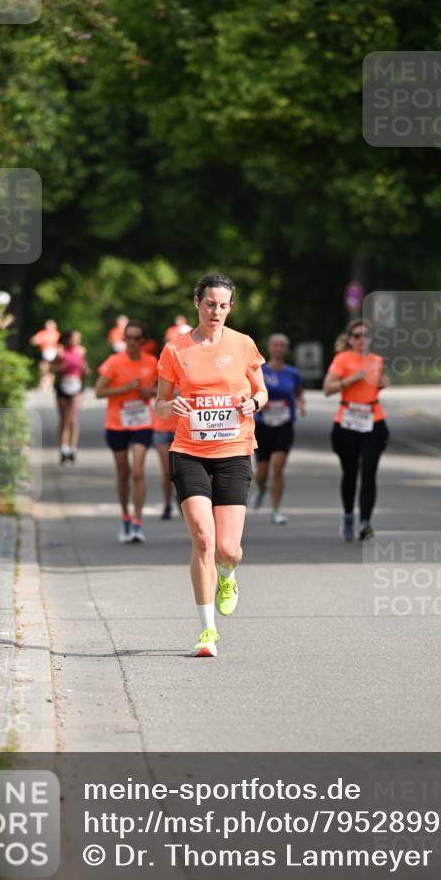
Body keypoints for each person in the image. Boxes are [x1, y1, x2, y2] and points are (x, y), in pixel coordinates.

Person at [155, 273, 268, 657]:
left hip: (235, 451)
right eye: (209, 304)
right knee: (202, 538)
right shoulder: (175, 349)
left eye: (222, 305)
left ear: (230, 307)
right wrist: (171, 407)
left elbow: (261, 390)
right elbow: (160, 402)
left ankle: (228, 574)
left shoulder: (243, 344)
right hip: (189, 451)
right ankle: (207, 632)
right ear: (196, 303)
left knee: (228, 547)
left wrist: (254, 403)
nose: (215, 311)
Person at [322, 318, 390, 541]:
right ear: (350, 340)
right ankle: (349, 516)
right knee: (350, 474)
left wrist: (382, 381)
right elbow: (327, 389)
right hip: (347, 422)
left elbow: (379, 384)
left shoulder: (376, 360)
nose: (362, 339)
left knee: (369, 473)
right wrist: (351, 379)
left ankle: (365, 522)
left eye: (366, 335)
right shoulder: (342, 359)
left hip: (373, 421)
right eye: (357, 336)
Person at [96, 319, 157, 543]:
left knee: (138, 472)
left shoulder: (152, 362)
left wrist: (149, 391)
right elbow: (99, 392)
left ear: (143, 341)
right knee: (123, 473)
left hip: (142, 422)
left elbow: (162, 391)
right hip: (117, 423)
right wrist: (126, 388)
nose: (131, 342)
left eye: (136, 338)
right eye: (128, 337)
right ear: (123, 339)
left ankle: (138, 522)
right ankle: (125, 517)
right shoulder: (114, 362)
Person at [251, 333, 304, 524]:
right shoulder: (260, 371)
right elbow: (250, 393)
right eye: (276, 345)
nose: (279, 348)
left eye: (283, 345)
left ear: (286, 350)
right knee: (262, 471)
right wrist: (257, 403)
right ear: (270, 348)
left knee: (278, 468)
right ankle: (261, 488)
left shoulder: (292, 373)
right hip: (263, 425)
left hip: (284, 424)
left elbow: (298, 392)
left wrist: (300, 404)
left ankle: (276, 510)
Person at [53, 330, 90, 465]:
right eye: (75, 338)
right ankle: (63, 449)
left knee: (73, 418)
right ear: (67, 339)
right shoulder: (60, 351)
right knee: (64, 419)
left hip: (77, 386)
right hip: (63, 386)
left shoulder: (81, 351)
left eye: (78, 338)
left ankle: (73, 448)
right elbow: (51, 368)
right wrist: (60, 367)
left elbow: (85, 366)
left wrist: (85, 370)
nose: (77, 340)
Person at [152, 393, 178, 520]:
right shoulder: (160, 373)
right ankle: (167, 504)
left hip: (183, 428)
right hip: (162, 428)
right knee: (168, 471)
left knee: (184, 470)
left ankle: (182, 496)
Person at [30, 319, 60, 390]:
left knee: (51, 370)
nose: (48, 327)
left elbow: (60, 345)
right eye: (47, 325)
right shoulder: (42, 333)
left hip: (54, 353)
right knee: (43, 368)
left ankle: (49, 385)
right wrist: (36, 340)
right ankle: (43, 383)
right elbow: (34, 341)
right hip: (45, 353)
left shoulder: (57, 334)